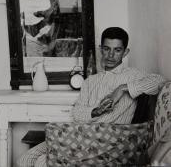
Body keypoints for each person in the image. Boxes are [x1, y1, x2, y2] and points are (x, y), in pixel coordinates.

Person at [17, 27, 165, 167]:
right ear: (101, 49)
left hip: (104, 143)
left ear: (125, 52)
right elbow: (77, 113)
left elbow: (160, 81)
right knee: (25, 160)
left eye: (117, 50)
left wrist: (122, 89)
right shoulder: (90, 81)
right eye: (106, 49)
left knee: (42, 162)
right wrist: (96, 111)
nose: (111, 55)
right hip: (78, 135)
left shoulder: (133, 75)